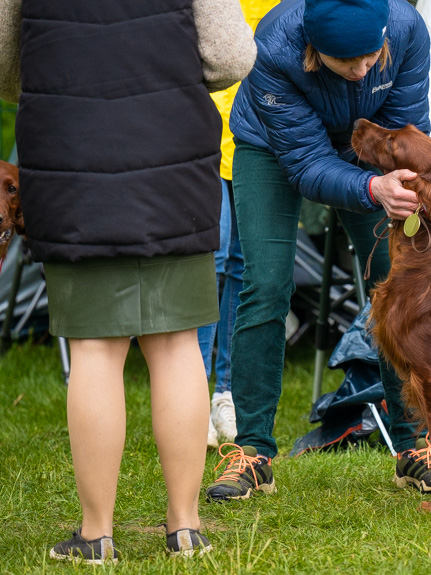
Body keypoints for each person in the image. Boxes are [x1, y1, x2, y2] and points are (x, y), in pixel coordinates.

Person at [0, 0, 256, 563]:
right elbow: (233, 55)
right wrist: (162, 69)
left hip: (70, 160)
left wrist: (66, 73)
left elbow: (4, 61)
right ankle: (186, 528)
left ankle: (96, 536)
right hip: (171, 158)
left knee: (93, 347)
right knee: (176, 343)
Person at [205, 0, 431, 502]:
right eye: (348, 63)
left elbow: (407, 128)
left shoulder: (407, 30)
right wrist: (375, 190)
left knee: (398, 287)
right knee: (266, 285)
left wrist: (423, 184)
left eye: (370, 57)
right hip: (273, 151)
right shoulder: (275, 45)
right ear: (314, 53)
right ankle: (254, 453)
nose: (363, 70)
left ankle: (415, 446)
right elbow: (306, 165)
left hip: (365, 148)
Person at [200, 0, 280, 450]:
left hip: (256, 129)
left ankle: (225, 393)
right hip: (207, 124)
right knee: (212, 253)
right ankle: (191, 393)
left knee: (242, 261)